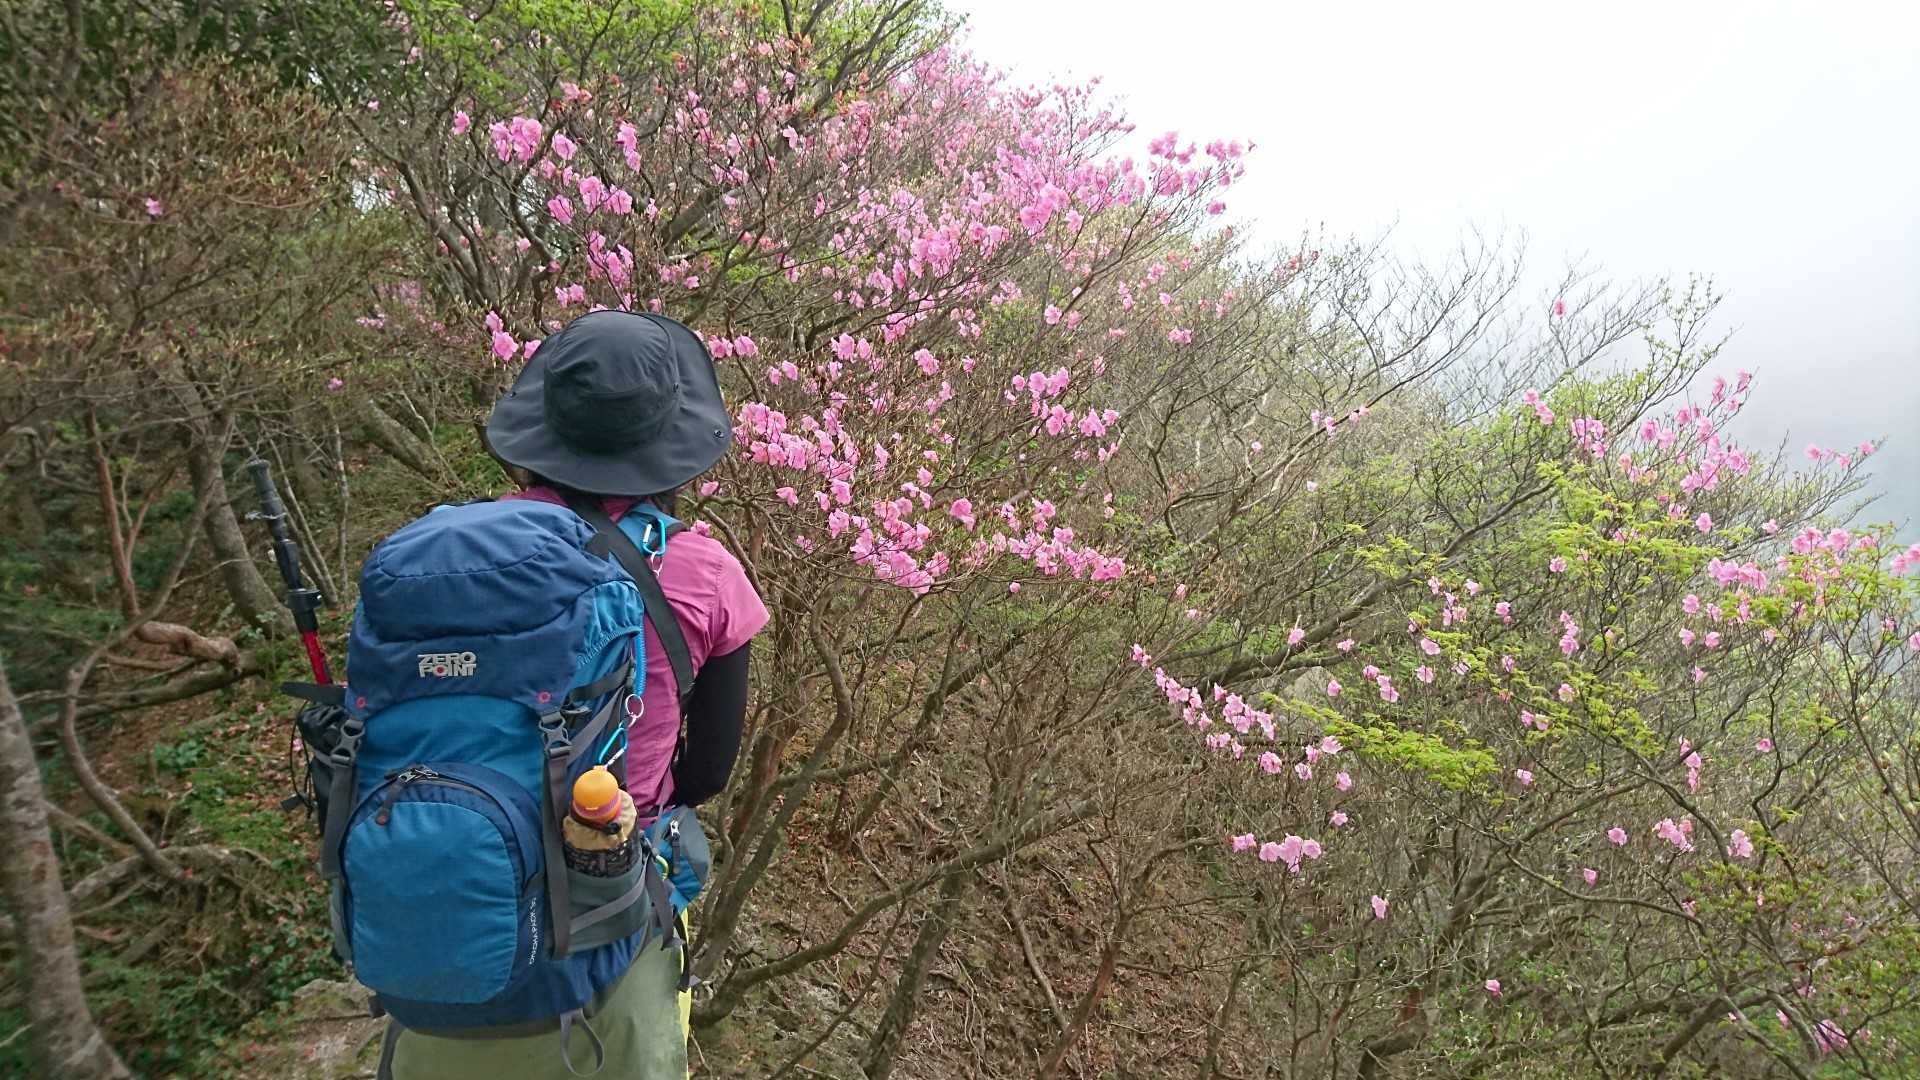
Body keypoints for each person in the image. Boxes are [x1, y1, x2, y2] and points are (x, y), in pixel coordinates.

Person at [386, 309, 768, 1079]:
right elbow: (707, 774)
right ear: (673, 448)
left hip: (446, 913)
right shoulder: (707, 576)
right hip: (610, 934)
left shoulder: (448, 553)